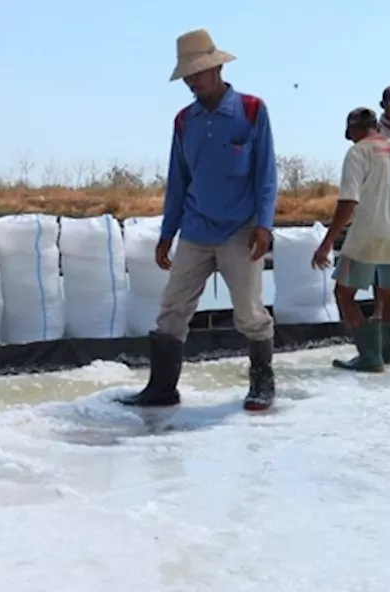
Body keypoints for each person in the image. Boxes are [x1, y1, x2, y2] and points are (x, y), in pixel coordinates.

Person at [118, 28, 279, 411]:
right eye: (187, 75)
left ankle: (262, 383)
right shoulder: (183, 121)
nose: (192, 81)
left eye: (198, 72)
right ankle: (161, 388)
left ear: (217, 68)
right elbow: (178, 180)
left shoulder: (253, 110)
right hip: (195, 230)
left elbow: (266, 174)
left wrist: (264, 225)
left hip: (240, 230)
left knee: (249, 312)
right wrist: (166, 233)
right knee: (172, 309)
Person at [311, 107, 390, 372]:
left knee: (344, 293)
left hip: (366, 236)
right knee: (388, 294)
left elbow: (349, 200)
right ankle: (388, 353)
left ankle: (369, 356)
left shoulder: (358, 153)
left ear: (354, 131)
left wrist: (327, 242)